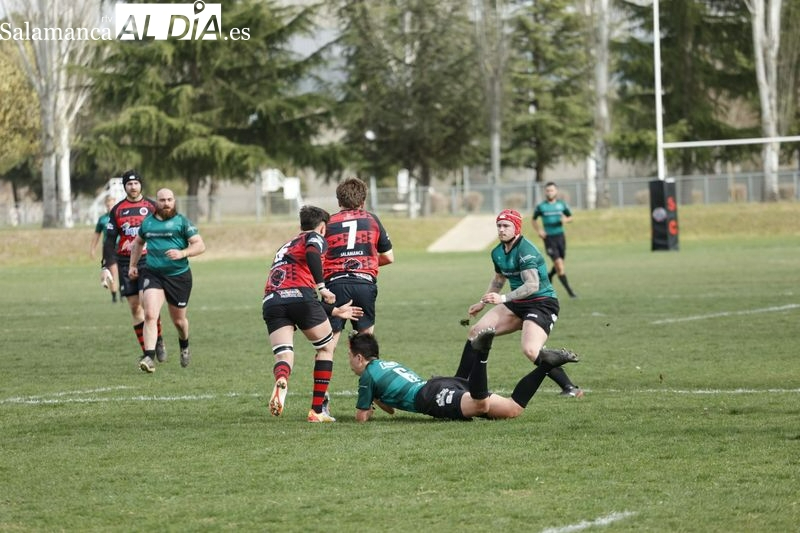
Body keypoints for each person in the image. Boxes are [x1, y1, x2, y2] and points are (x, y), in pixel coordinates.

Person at [456, 209, 584, 398]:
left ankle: (570, 387)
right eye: (499, 226)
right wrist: (483, 301)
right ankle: (459, 383)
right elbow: (499, 279)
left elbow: (532, 285)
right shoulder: (497, 252)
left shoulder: (526, 250)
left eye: (506, 226)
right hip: (517, 303)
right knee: (476, 332)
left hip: (541, 303)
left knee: (531, 350)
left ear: (516, 228)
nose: (501, 229)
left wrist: (503, 298)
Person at [263, 205, 364, 423]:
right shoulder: (315, 238)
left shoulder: (285, 246)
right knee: (326, 347)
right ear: (322, 227)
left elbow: (294, 293)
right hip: (301, 297)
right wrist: (322, 287)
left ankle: (282, 378)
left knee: (284, 354)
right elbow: (311, 253)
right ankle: (317, 410)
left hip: (272, 300)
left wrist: (336, 311)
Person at [348, 329, 579, 422]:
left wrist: (366, 406)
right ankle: (545, 366)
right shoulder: (388, 364)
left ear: (360, 358)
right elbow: (391, 409)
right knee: (512, 410)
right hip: (440, 384)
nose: (349, 362)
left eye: (350, 356)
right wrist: (378, 400)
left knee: (479, 405)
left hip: (428, 397)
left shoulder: (367, 376)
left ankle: (482, 353)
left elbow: (361, 417)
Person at [323, 176, 394, 414]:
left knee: (327, 346)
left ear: (338, 199)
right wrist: (365, 263)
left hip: (334, 286)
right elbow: (389, 257)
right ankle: (372, 397)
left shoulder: (328, 222)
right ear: (362, 200)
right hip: (364, 283)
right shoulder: (372, 219)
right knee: (366, 345)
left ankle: (321, 401)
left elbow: (317, 258)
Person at [128, 188, 206, 373]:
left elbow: (200, 245)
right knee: (150, 314)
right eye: (162, 200)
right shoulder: (147, 223)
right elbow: (138, 242)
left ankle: (184, 345)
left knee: (179, 321)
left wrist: (182, 253)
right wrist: (133, 265)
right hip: (153, 274)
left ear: (174, 201)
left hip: (178, 276)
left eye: (170, 199)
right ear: (156, 202)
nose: (166, 203)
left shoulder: (182, 222)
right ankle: (149, 356)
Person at [104, 170, 167, 365]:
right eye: (129, 184)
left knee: (148, 305)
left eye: (136, 183)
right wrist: (105, 265)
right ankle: (147, 350)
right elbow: (109, 241)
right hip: (125, 262)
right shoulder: (117, 210)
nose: (133, 187)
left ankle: (157, 344)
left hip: (149, 260)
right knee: (134, 307)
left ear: (141, 185)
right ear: (125, 187)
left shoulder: (151, 207)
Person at [531, 181, 577, 298]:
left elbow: (570, 217)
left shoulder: (562, 204)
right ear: (545, 192)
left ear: (556, 191)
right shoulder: (541, 206)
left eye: (551, 190)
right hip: (549, 238)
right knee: (559, 265)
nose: (549, 192)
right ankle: (570, 292)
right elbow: (534, 219)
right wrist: (539, 231)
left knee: (560, 263)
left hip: (560, 237)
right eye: (547, 190)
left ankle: (550, 275)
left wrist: (565, 220)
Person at [90, 194, 120, 303]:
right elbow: (96, 235)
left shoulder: (120, 216)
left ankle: (124, 291)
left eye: (112, 204)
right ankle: (114, 297)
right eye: (108, 205)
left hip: (121, 246)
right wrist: (92, 248)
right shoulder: (102, 219)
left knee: (124, 271)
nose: (110, 207)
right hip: (108, 248)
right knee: (112, 271)